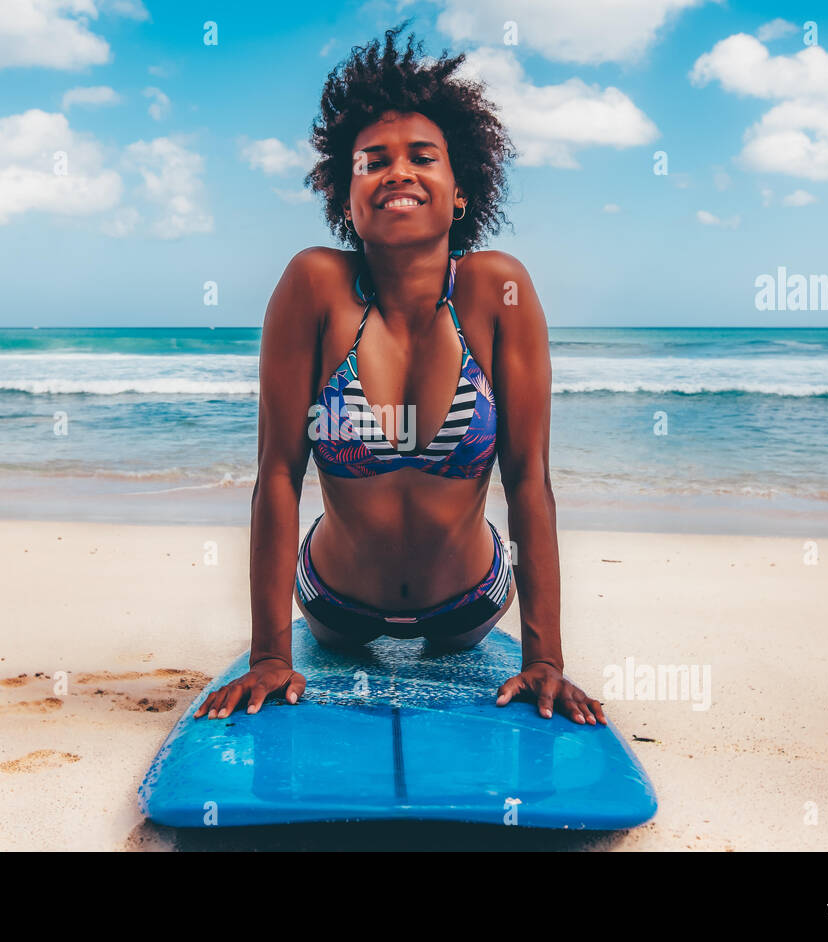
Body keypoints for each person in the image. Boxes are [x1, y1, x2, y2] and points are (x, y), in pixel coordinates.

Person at [194, 23, 606, 727]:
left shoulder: (497, 291)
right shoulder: (313, 287)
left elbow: (530, 479)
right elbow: (278, 474)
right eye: (372, 161)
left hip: (471, 605)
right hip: (331, 604)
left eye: (423, 157)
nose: (398, 172)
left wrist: (547, 658)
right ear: (344, 196)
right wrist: (269, 652)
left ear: (460, 190)